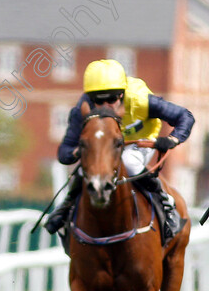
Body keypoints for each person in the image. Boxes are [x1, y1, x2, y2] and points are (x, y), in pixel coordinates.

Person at [45, 59, 194, 243]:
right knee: (88, 167)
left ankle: (165, 203)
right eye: (99, 100)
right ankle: (66, 206)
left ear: (122, 95)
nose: (106, 105)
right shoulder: (81, 110)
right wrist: (81, 152)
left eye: (112, 98)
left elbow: (184, 116)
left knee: (129, 162)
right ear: (90, 99)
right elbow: (64, 153)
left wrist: (172, 139)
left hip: (140, 141)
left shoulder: (140, 100)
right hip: (103, 146)